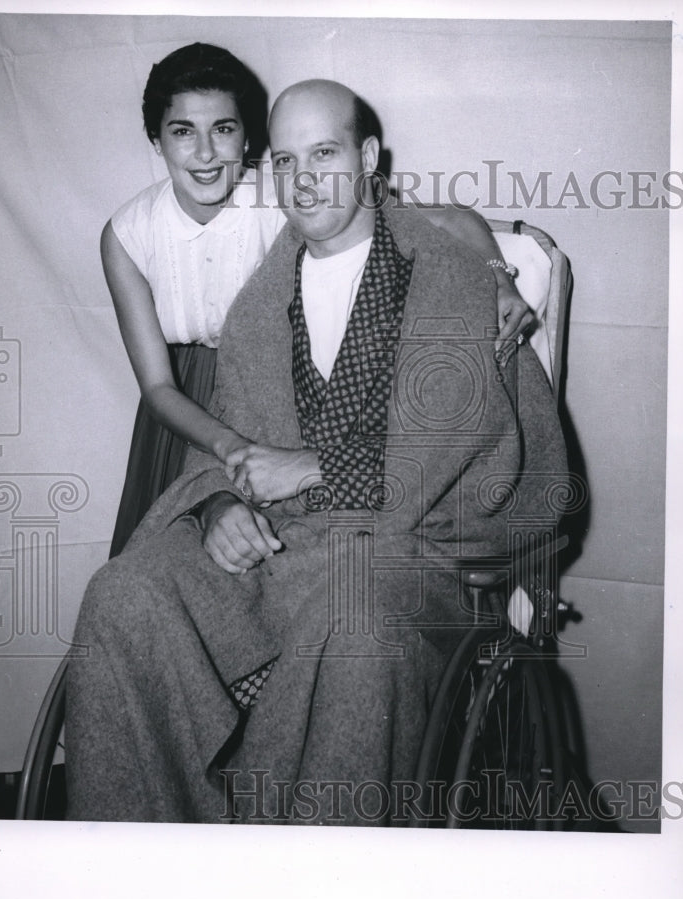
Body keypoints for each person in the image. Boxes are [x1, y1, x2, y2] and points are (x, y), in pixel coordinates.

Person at [65, 79, 566, 825]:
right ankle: (150, 859)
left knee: (351, 619)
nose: (304, 181)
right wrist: (221, 504)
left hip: (406, 558)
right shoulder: (261, 302)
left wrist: (316, 467)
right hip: (285, 545)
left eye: (324, 153)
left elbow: (471, 447)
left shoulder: (453, 280)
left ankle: (306, 881)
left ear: (366, 156)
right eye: (287, 160)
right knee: (125, 594)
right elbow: (227, 437)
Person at [103, 43, 535, 556]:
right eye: (181, 132)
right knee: (164, 550)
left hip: (273, 391)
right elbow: (157, 386)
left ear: (247, 141)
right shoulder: (128, 234)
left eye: (223, 129)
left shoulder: (285, 193)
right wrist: (231, 454)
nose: (204, 153)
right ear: (156, 140)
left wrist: (498, 277)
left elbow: (442, 221)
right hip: (184, 406)